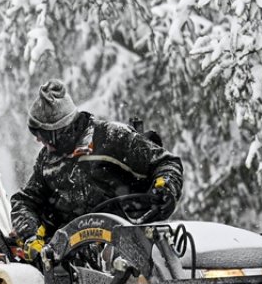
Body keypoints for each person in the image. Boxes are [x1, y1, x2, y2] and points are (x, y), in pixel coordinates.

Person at [10, 80, 183, 253]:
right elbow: (24, 201)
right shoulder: (47, 161)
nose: (38, 139)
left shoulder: (111, 137)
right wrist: (30, 235)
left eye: (42, 134)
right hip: (73, 257)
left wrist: (166, 187)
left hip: (132, 247)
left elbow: (166, 163)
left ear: (59, 130)